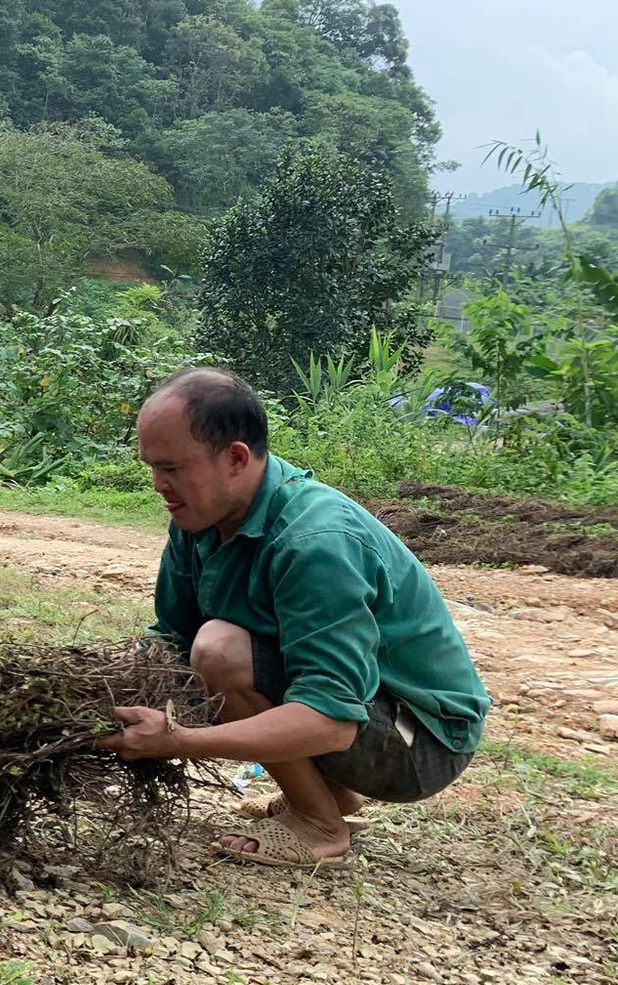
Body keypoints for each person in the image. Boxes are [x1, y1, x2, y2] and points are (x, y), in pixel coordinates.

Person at [96, 368, 489, 867]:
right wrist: (97, 690)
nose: (158, 485)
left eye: (172, 468)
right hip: (365, 713)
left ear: (236, 458)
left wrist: (180, 742)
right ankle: (335, 798)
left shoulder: (316, 542)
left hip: (421, 742)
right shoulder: (199, 519)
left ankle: (320, 826)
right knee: (198, 648)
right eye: (151, 467)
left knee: (220, 650)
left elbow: (331, 720)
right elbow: (170, 641)